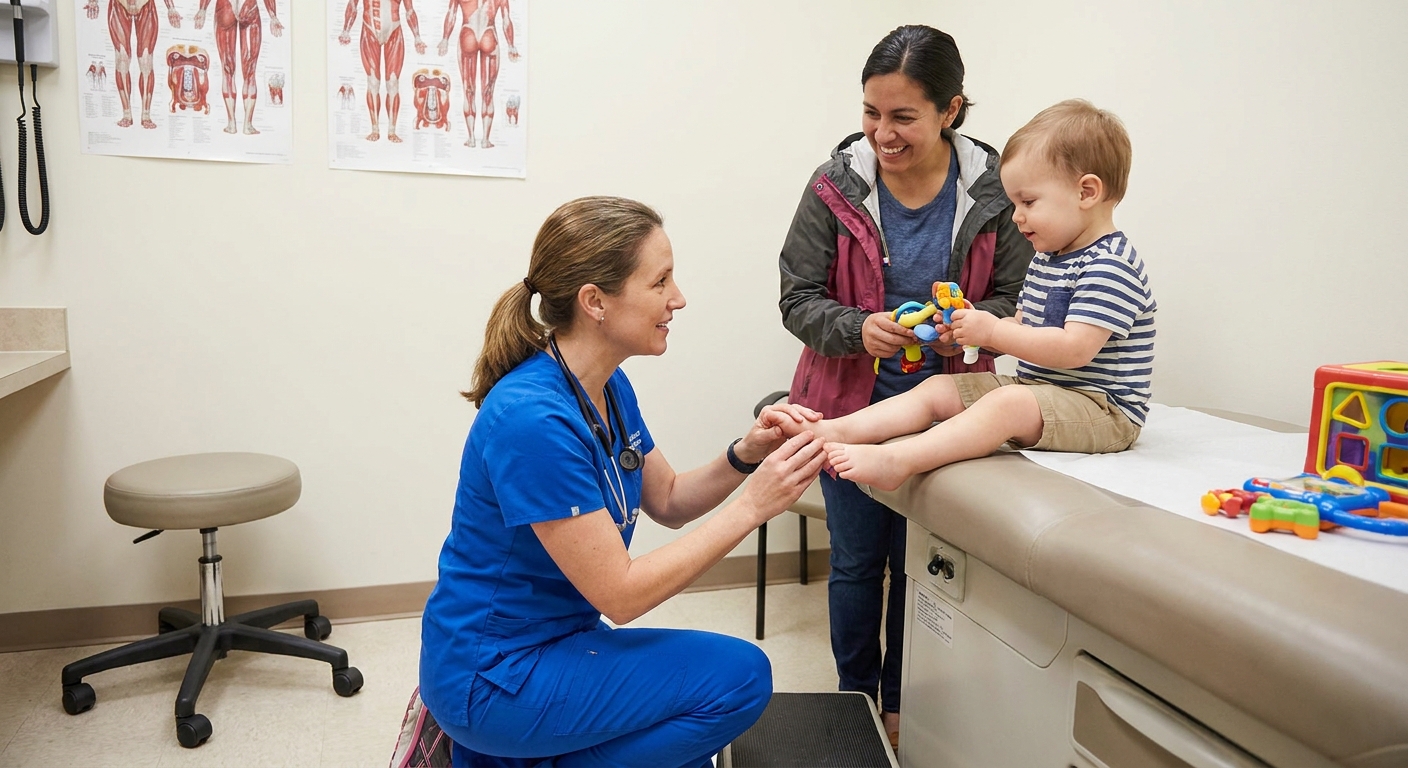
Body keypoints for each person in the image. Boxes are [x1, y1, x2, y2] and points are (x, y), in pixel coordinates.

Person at [420, 196, 829, 767]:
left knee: (690, 743)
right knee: (739, 680)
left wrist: (746, 453)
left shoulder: (604, 387)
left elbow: (668, 499)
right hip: (495, 678)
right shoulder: (533, 420)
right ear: (595, 302)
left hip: (555, 644)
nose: (678, 299)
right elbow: (623, 596)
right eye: (660, 282)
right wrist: (753, 508)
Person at [777, 24, 1034, 748]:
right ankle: (854, 699)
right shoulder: (833, 187)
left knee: (920, 568)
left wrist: (980, 325)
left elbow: (1021, 296)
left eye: (902, 117)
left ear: (950, 110)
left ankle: (904, 704)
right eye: (870, 112)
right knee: (857, 566)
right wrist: (858, 328)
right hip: (849, 410)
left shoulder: (993, 190)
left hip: (948, 414)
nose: (882, 132)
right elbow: (797, 297)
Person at [813, 99, 1156, 492]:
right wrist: (971, 326)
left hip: (1102, 410)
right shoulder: (1048, 260)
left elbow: (1073, 350)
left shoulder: (1110, 264)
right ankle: (834, 428)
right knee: (940, 388)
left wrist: (992, 332)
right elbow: (1023, 327)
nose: (1015, 217)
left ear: (1087, 192)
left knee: (1006, 405)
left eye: (1028, 202)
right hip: (1044, 393)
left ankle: (898, 460)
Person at [338, 0, 428, 143]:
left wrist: (417, 37)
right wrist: (346, 30)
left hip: (394, 31)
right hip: (369, 30)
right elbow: (353, 4)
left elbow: (409, 10)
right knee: (373, 82)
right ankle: (375, 129)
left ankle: (392, 131)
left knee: (392, 83)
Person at [437, 0, 519, 148]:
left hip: (468, 32)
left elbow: (451, 13)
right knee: (488, 92)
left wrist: (445, 38)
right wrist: (511, 45)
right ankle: (486, 140)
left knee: (468, 90)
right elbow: (506, 18)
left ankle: (471, 138)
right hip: (489, 33)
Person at [88, 0, 182, 129]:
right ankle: (127, 114)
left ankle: (146, 115)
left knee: (146, 60)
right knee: (122, 58)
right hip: (119, 4)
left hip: (145, 4)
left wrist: (171, 7)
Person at [195, 0, 284, 135]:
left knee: (228, 69)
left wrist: (203, 9)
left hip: (225, 7)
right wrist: (273, 15)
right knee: (249, 71)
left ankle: (232, 124)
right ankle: (247, 125)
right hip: (248, 7)